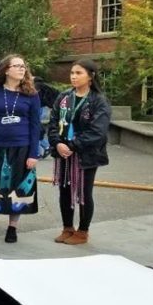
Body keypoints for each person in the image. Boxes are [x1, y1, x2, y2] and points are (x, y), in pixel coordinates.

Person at [0, 55, 41, 244]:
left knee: (18, 187)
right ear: (6, 70)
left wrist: (34, 153)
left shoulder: (31, 94)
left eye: (23, 66)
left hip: (21, 147)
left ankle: (12, 228)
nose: (22, 69)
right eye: (17, 66)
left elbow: (35, 125)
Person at [48, 59, 111, 245]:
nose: (73, 77)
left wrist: (73, 145)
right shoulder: (64, 97)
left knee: (83, 192)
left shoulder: (99, 101)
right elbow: (53, 122)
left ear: (91, 76)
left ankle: (83, 231)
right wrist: (57, 143)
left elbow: (98, 132)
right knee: (65, 190)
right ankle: (67, 227)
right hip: (64, 152)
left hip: (86, 155)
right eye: (72, 73)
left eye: (78, 73)